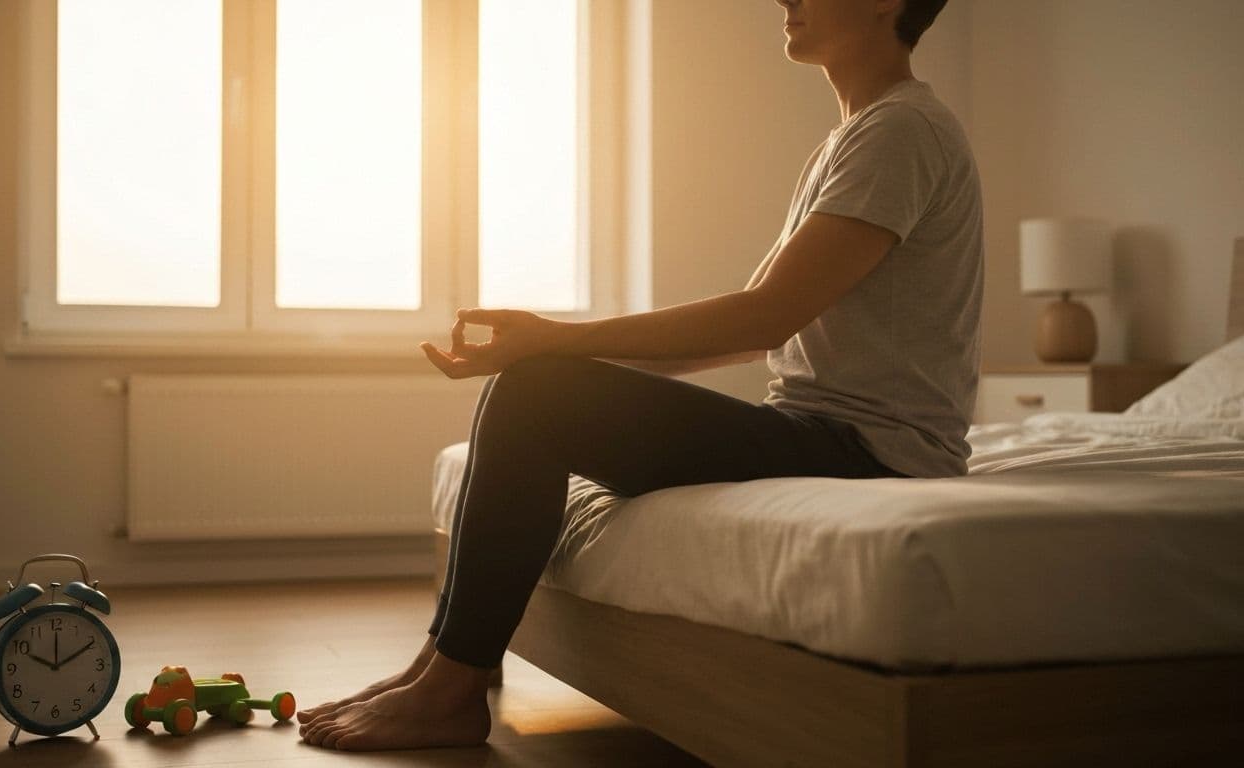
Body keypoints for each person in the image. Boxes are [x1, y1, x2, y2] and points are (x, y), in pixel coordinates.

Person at [298, 0, 976, 752]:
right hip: (820, 433)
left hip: (870, 454)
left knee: (536, 397)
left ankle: (450, 688)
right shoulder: (857, 135)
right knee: (535, 388)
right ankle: (441, 662)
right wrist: (543, 351)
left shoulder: (901, 132)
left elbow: (761, 320)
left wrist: (555, 347)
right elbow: (750, 334)